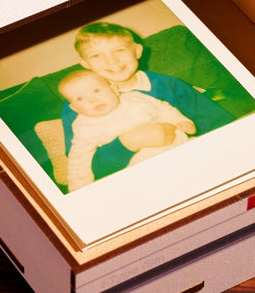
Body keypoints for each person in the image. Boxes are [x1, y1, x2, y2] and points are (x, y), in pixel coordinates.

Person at [61, 21, 236, 182]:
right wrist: (127, 143)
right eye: (96, 55)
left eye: (120, 50)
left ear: (137, 51)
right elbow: (84, 166)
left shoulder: (168, 85)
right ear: (84, 62)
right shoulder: (79, 105)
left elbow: (218, 122)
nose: (112, 60)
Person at [59, 69, 196, 191]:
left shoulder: (136, 97)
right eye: (80, 98)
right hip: (140, 168)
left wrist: (180, 120)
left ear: (114, 89)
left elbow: (162, 108)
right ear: (75, 108)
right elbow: (78, 160)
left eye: (96, 91)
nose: (92, 99)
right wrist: (80, 190)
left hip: (177, 144)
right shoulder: (84, 127)